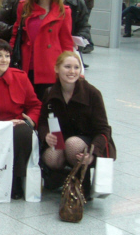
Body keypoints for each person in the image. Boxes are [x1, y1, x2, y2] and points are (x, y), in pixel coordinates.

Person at [37, 51, 116, 195]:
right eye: (67, 67)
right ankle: (64, 176)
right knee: (51, 157)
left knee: (73, 144)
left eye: (76, 67)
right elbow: (42, 122)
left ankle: (82, 181)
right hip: (61, 140)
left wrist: (93, 153)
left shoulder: (92, 93)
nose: (72, 71)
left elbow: (104, 130)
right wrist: (46, 135)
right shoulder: (49, 92)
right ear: (56, 69)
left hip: (88, 141)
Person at [0, 39, 41, 199]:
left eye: (7, 55)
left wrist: (29, 120)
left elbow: (35, 105)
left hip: (17, 129)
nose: (4, 60)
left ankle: (16, 179)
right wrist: (0, 125)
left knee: (23, 132)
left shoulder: (21, 77)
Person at [10, 0, 74, 99]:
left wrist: (70, 68)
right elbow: (16, 35)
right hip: (27, 65)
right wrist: (9, 57)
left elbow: (66, 43)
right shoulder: (24, 6)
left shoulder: (64, 11)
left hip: (51, 67)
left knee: (47, 109)